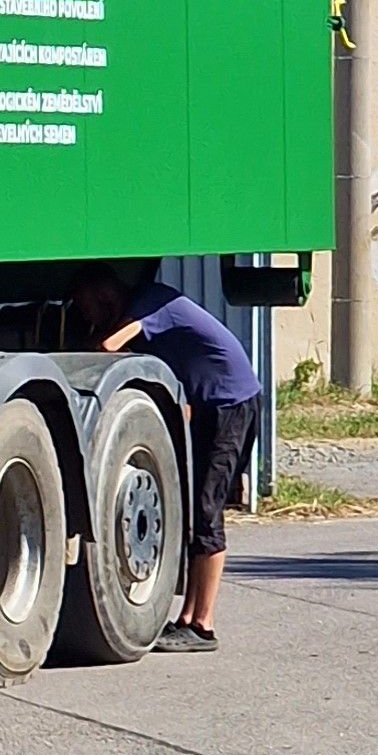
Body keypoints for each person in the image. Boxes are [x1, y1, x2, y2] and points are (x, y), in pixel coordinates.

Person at [72, 265, 262, 654]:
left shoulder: (151, 303)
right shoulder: (144, 315)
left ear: (106, 296)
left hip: (231, 403)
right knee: (195, 512)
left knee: (208, 512)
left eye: (85, 306)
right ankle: (187, 618)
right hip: (210, 405)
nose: (84, 316)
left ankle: (204, 624)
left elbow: (109, 347)